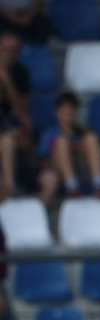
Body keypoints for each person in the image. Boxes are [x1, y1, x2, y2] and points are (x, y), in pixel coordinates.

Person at [37, 92, 100, 202]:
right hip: (58, 171)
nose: (68, 113)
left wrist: (78, 147)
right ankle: (72, 187)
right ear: (57, 112)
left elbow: (95, 153)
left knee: (91, 139)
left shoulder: (84, 131)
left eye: (71, 109)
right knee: (61, 142)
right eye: (64, 109)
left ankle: (99, 185)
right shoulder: (48, 134)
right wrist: (64, 151)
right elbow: (43, 161)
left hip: (82, 169)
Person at [0, 31, 29, 200]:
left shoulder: (20, 73)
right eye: (5, 50)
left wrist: (7, 80)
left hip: (8, 121)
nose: (9, 55)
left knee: (12, 135)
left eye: (13, 51)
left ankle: (10, 184)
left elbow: (22, 110)